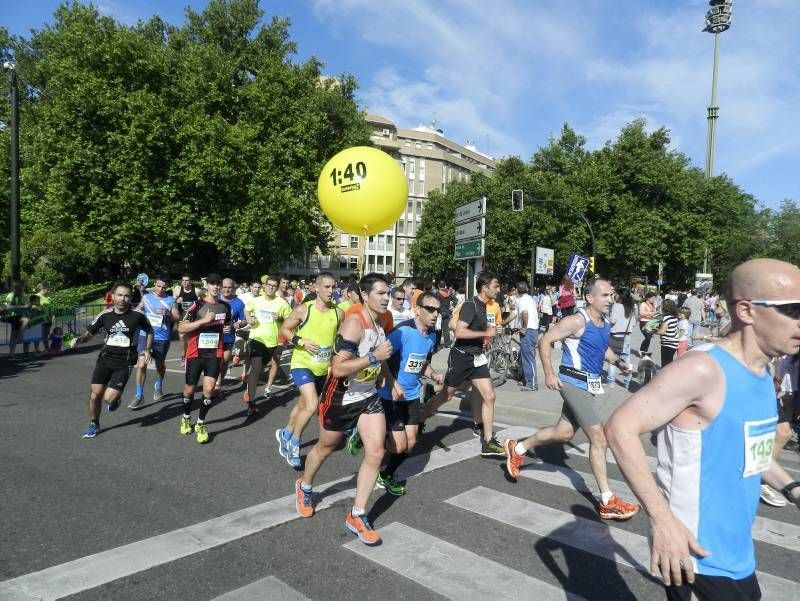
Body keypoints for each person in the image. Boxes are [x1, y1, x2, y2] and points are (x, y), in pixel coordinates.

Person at [605, 258, 800, 600]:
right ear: (747, 311)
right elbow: (620, 427)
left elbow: (749, 452)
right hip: (695, 555)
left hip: (737, 553)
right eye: (793, 310)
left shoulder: (763, 373)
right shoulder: (703, 369)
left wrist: (793, 488)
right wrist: (662, 521)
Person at [504, 279, 641, 520]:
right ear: (590, 298)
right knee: (599, 438)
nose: (611, 299)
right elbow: (544, 341)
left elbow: (602, 350)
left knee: (563, 433)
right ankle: (607, 501)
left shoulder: (604, 323)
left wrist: (619, 363)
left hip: (589, 385)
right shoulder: (576, 321)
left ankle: (518, 447)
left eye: (611, 295)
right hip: (571, 382)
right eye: (605, 295)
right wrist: (548, 373)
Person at [294, 273, 393, 546]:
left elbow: (378, 352)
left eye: (388, 293)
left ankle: (357, 514)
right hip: (340, 398)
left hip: (368, 396)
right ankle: (305, 485)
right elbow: (337, 368)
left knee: (376, 451)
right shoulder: (353, 323)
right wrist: (373, 358)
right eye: (381, 293)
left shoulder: (381, 320)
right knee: (326, 447)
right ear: (364, 295)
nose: (386, 298)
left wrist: (386, 376)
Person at [421, 272, 505, 457]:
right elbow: (459, 332)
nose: (498, 290)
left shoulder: (486, 306)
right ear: (485, 288)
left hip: (477, 358)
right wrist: (485, 333)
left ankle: (488, 442)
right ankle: (419, 418)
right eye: (496, 286)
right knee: (446, 396)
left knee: (489, 396)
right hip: (462, 357)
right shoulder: (470, 305)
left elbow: (484, 329)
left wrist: (491, 331)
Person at [372, 290, 443, 495]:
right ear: (417, 310)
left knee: (410, 442)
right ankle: (369, 435)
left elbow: (421, 364)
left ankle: (385, 475)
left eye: (437, 310)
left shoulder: (432, 336)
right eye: (430, 309)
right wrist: (392, 383)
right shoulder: (402, 332)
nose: (435, 314)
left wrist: (433, 373)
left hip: (412, 396)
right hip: (391, 395)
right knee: (398, 443)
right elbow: (381, 357)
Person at [276, 272, 343, 467]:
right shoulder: (304, 309)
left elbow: (336, 342)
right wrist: (300, 341)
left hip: (322, 368)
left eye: (333, 287)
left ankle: (285, 433)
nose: (331, 291)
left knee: (304, 404)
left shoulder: (339, 313)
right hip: (301, 363)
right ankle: (294, 444)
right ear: (316, 288)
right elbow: (285, 330)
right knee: (312, 405)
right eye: (327, 287)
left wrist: (334, 362)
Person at [71, 282, 153, 438]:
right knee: (95, 395)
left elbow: (149, 331)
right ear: (113, 296)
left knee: (108, 398)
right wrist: (79, 339)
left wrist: (147, 349)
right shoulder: (105, 315)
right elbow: (89, 333)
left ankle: (115, 399)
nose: (123, 298)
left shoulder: (137, 316)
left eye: (127, 295)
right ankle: (94, 423)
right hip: (105, 359)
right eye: (120, 295)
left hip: (125, 362)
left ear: (130, 297)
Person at [177, 274, 231, 444]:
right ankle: (186, 416)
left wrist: (228, 329)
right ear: (207, 285)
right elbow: (182, 327)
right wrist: (204, 321)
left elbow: (226, 325)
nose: (216, 287)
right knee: (189, 390)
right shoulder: (197, 305)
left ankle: (200, 423)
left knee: (208, 390)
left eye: (218, 284)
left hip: (214, 353)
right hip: (195, 353)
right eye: (213, 284)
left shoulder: (225, 307)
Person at [129, 276, 180, 409]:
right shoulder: (146, 297)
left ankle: (159, 384)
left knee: (160, 365)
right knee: (141, 365)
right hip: (144, 335)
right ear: (154, 284)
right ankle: (139, 395)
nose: (160, 289)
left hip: (161, 338)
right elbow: (139, 309)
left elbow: (177, 317)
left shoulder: (170, 300)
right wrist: (131, 315)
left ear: (167, 287)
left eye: (164, 287)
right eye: (158, 286)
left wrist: (169, 313)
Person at [243, 276, 291, 403]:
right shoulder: (256, 300)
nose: (271, 287)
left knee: (260, 369)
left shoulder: (282, 303)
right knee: (256, 367)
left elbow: (290, 321)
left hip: (272, 342)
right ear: (264, 286)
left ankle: (250, 393)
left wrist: (280, 318)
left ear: (277, 287)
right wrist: (248, 319)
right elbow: (247, 310)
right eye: (269, 285)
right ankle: (251, 400)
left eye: (274, 286)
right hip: (256, 338)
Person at [217, 278, 247, 400]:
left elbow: (245, 320)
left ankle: (218, 383)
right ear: (220, 287)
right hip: (213, 338)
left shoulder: (239, 303)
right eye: (224, 287)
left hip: (228, 338)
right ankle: (214, 382)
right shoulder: (214, 299)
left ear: (233, 288)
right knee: (214, 363)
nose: (226, 289)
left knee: (224, 362)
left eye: (229, 287)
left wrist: (239, 324)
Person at [607, 288, 635, 388]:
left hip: (615, 336)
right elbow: (634, 323)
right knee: (627, 359)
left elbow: (613, 320)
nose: (614, 295)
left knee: (613, 359)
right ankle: (627, 381)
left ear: (619, 296)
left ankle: (611, 381)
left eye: (616, 294)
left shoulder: (616, 306)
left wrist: (607, 317)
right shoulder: (632, 307)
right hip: (627, 336)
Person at [516, 280, 540, 392]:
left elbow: (525, 314)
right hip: (534, 330)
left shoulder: (522, 300)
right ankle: (524, 378)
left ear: (517, 290)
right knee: (523, 356)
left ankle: (532, 384)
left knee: (528, 358)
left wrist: (524, 328)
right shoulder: (530, 298)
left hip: (528, 331)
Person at [174, 275, 199, 367]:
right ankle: (183, 356)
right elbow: (173, 304)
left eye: (187, 280)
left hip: (193, 318)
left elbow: (203, 301)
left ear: (190, 281)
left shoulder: (196, 291)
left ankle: (191, 355)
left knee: (192, 338)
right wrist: (176, 301)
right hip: (181, 318)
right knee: (182, 337)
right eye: (183, 280)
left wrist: (197, 304)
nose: (185, 282)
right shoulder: (177, 290)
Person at [2, 281, 31, 357]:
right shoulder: (11, 296)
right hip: (12, 316)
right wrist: (21, 307)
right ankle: (12, 352)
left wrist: (28, 305)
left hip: (21, 316)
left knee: (17, 332)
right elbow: (8, 307)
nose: (23, 289)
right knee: (14, 333)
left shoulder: (23, 295)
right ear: (17, 288)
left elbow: (27, 305)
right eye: (22, 288)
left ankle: (20, 338)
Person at [656, 299, 680, 367]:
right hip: (674, 343)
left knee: (665, 364)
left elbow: (662, 331)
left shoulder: (666, 318)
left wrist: (653, 331)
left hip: (668, 343)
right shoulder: (674, 317)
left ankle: (666, 376)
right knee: (669, 362)